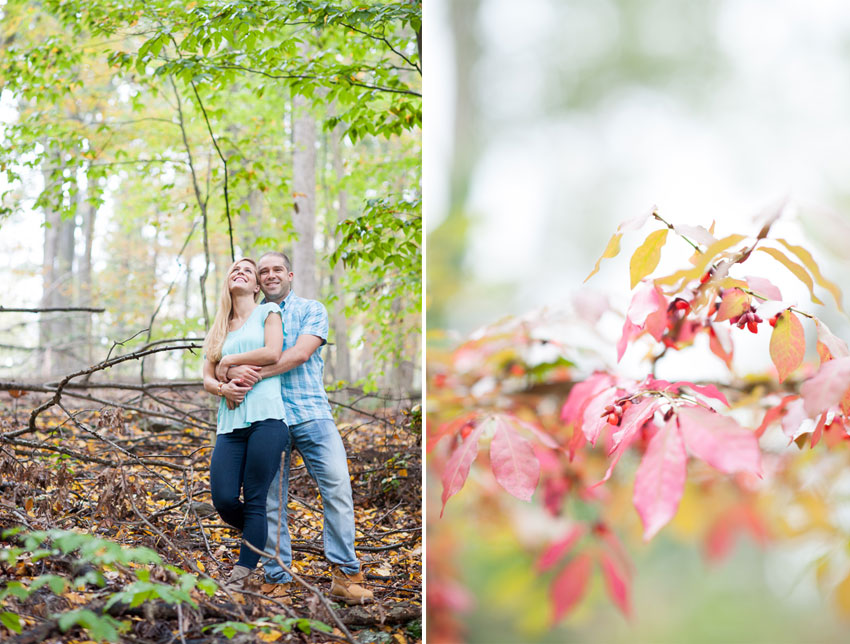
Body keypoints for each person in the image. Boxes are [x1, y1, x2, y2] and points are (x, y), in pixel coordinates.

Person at [216, 251, 373, 604]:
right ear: (257, 282)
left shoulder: (311, 309)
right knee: (270, 502)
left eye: (276, 270)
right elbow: (220, 360)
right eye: (263, 271)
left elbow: (300, 353)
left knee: (337, 489)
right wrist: (226, 375)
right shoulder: (248, 317)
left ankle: (346, 574)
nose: (270, 275)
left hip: (312, 413)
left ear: (290, 274)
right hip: (268, 420)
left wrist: (247, 375)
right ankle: (278, 577)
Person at [202, 258, 290, 588]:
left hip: (267, 418)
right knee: (224, 499)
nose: (239, 272)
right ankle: (259, 534)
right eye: (234, 270)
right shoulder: (220, 327)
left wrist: (231, 360)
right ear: (228, 282)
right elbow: (207, 380)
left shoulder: (269, 312)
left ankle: (242, 572)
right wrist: (223, 385)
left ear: (256, 286)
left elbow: (272, 353)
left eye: (247, 271)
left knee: (255, 498)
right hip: (230, 423)